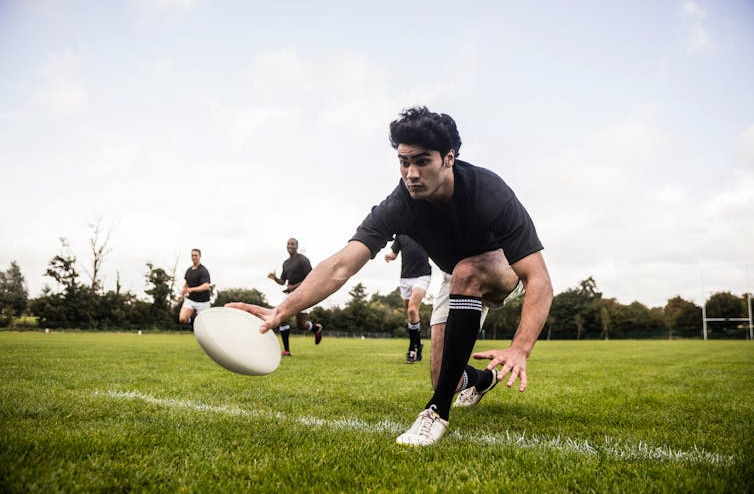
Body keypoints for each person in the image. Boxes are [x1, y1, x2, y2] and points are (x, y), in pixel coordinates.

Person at [228, 106, 552, 446]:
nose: (411, 173)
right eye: (404, 161)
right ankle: (481, 381)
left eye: (422, 161)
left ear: (449, 159)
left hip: (504, 269)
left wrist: (520, 348)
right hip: (454, 277)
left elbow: (539, 279)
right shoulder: (399, 204)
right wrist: (283, 309)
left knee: (467, 271)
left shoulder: (488, 192)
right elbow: (341, 264)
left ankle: (435, 413)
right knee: (444, 375)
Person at [267, 238, 323, 355]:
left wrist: (294, 287)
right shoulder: (286, 263)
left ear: (297, 246)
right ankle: (286, 351)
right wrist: (275, 278)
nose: (290, 246)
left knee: (301, 325)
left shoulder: (303, 260)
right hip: (291, 294)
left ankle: (316, 329)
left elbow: (311, 278)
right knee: (283, 318)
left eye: (292, 244)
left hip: (305, 293)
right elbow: (283, 281)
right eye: (288, 244)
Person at [384, 234, 431, 363]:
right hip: (405, 278)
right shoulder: (400, 234)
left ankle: (412, 349)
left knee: (412, 310)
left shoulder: (424, 229)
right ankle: (419, 343)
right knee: (410, 316)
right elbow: (394, 253)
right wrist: (389, 256)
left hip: (422, 275)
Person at [177, 248, 211, 325]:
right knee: (182, 319)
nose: (194, 257)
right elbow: (186, 284)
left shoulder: (203, 270)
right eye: (192, 255)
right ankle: (191, 320)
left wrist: (192, 289)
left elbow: (206, 286)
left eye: (195, 255)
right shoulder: (189, 270)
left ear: (200, 256)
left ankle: (198, 321)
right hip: (191, 300)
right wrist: (181, 295)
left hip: (203, 302)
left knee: (204, 325)